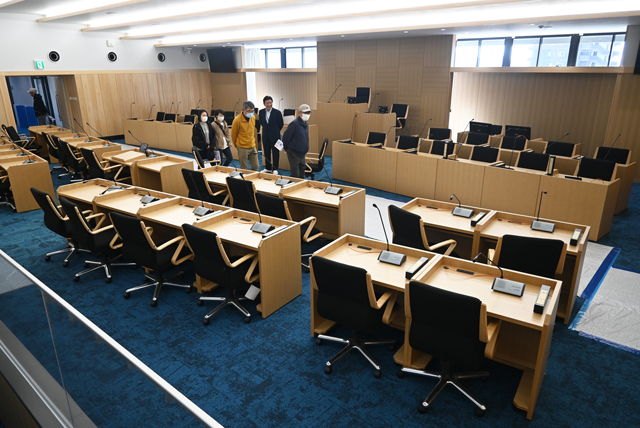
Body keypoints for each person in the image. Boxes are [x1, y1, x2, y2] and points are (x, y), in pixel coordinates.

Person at [282, 104, 311, 179]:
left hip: (302, 153)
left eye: (308, 113)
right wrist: (286, 148)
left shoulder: (306, 124)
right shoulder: (294, 124)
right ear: (299, 113)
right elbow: (286, 137)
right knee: (295, 174)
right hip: (294, 152)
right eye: (305, 113)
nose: (307, 114)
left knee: (302, 174)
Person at [231, 101, 260, 171]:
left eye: (252, 111)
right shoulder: (237, 120)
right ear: (243, 110)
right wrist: (237, 146)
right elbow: (233, 135)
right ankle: (245, 178)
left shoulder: (253, 117)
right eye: (249, 111)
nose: (251, 113)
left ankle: (252, 177)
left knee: (256, 166)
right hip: (242, 147)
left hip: (252, 146)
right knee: (244, 169)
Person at [258, 95, 284, 174]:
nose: (269, 104)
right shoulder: (261, 112)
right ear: (264, 104)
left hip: (275, 136)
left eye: (270, 102)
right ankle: (268, 168)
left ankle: (275, 169)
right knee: (266, 152)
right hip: (265, 136)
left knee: (275, 153)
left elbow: (281, 124)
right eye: (267, 103)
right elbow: (262, 123)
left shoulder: (277, 112)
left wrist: (275, 131)